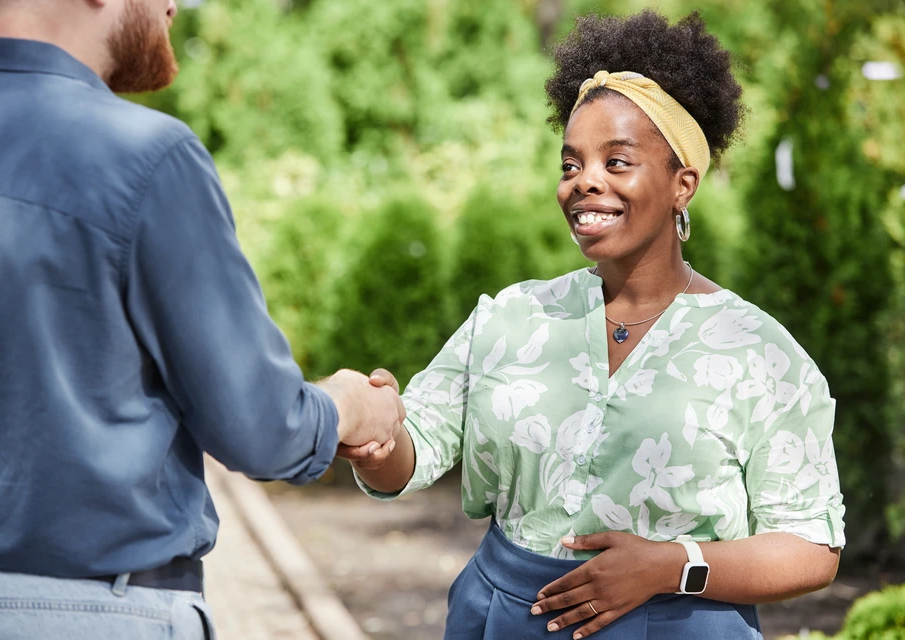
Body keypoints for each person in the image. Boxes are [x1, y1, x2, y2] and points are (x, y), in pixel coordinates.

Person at [340, 10, 844, 639]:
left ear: (682, 183)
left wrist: (671, 567)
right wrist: (375, 441)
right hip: (505, 618)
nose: (585, 184)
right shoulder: (512, 319)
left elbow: (810, 545)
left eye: (617, 161)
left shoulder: (760, 355)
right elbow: (415, 452)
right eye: (571, 164)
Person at [0, 0, 404, 638]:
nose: (174, 5)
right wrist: (352, 403)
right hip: (94, 613)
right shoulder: (143, 158)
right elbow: (263, 427)